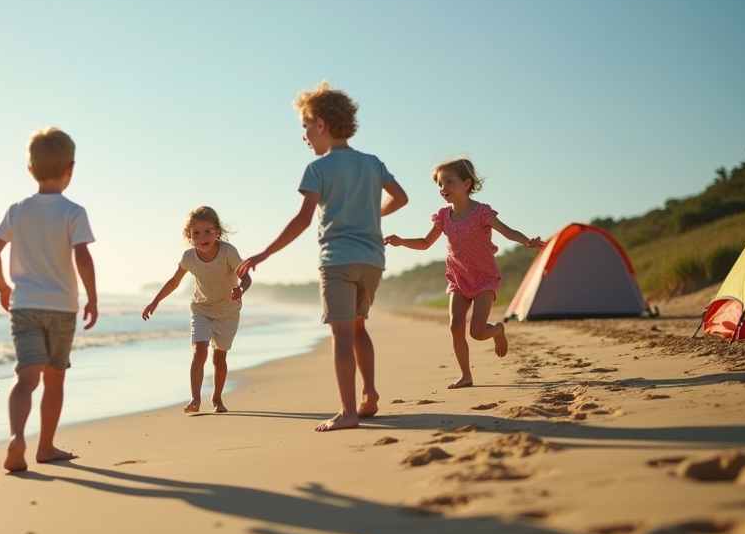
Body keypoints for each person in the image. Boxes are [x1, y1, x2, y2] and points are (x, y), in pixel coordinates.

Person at [237, 81, 407, 432]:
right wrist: (370, 215)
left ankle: (348, 411)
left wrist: (265, 252)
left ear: (321, 125)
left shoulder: (319, 169)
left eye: (305, 127)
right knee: (360, 327)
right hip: (373, 261)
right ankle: (370, 393)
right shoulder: (372, 163)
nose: (304, 137)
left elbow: (302, 219)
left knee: (341, 335)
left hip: (338, 260)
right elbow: (401, 198)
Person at [0, 128, 98, 472]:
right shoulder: (73, 212)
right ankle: (45, 446)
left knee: (26, 378)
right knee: (54, 379)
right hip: (62, 308)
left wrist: (4, 287)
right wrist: (92, 297)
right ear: (71, 169)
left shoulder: (17, 210)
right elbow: (82, 257)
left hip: (24, 306)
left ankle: (17, 437)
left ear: (30, 169)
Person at [384, 157, 544, 389]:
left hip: (484, 278)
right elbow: (425, 242)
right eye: (439, 184)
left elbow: (507, 231)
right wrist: (401, 241)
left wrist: (527, 241)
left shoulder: (481, 213)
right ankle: (465, 375)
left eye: (449, 182)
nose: (443, 188)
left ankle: (498, 329)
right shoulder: (443, 217)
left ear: (466, 184)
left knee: (477, 332)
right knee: (455, 326)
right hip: (458, 278)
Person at [143, 206, 250, 413]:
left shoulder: (228, 251)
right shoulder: (189, 257)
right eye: (196, 233)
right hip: (201, 309)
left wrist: (241, 289)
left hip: (228, 311)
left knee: (219, 358)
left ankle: (217, 398)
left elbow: (246, 276)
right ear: (189, 235)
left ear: (217, 231)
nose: (203, 237)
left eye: (208, 231)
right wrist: (155, 302)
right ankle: (195, 399)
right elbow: (174, 282)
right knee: (199, 351)